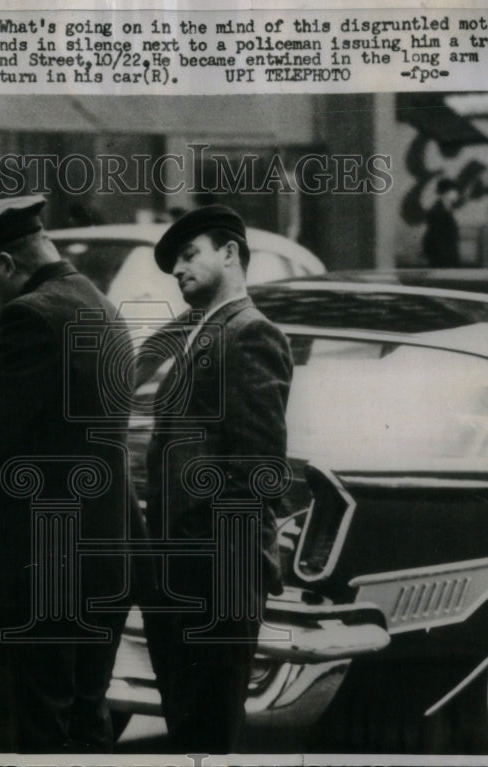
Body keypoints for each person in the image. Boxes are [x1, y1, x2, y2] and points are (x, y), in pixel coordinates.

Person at [0, 195, 133, 753]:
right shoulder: (102, 309)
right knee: (86, 724)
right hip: (98, 570)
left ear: (8, 265)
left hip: (35, 577)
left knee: (26, 735)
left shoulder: (26, 316)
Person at [139, 205, 293, 752]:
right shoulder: (202, 332)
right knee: (190, 727)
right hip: (184, 574)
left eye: (189, 255)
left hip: (214, 576)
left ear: (230, 253)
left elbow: (259, 469)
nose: (178, 270)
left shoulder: (250, 333)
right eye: (174, 263)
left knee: (205, 730)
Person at [421, 178, 461, 267]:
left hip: (447, 254)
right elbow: (436, 236)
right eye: (454, 191)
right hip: (442, 256)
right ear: (446, 193)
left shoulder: (446, 208)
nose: (457, 194)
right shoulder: (437, 210)